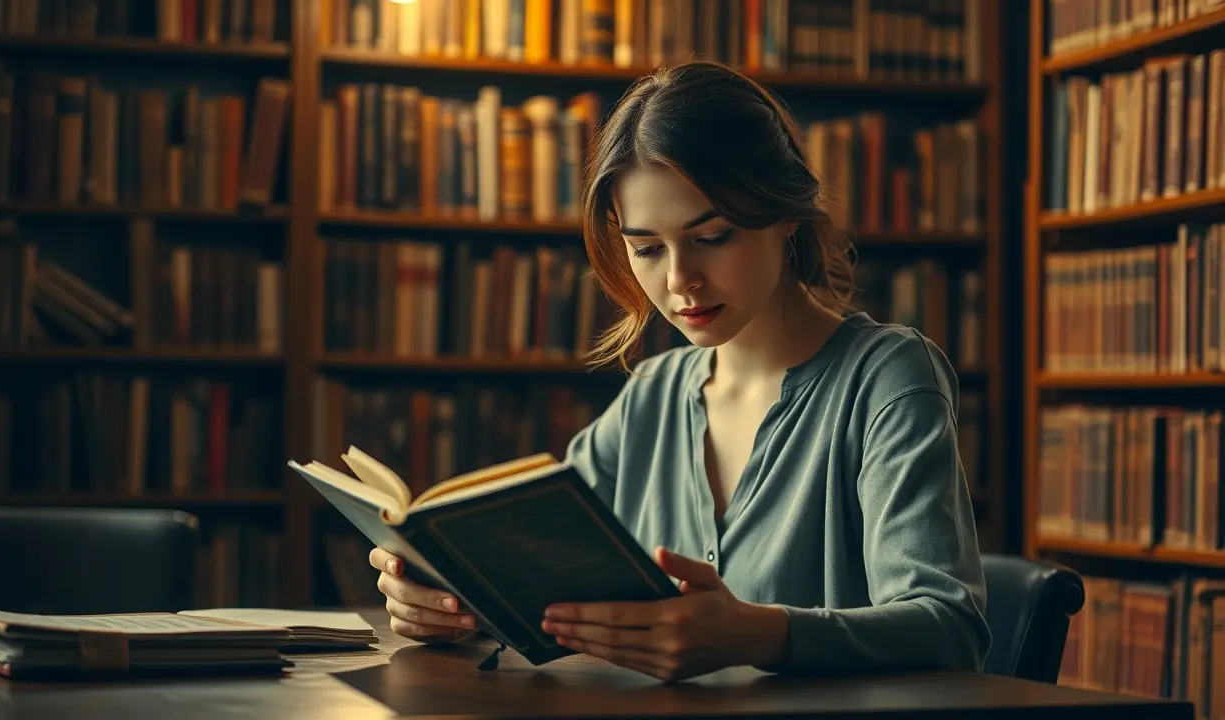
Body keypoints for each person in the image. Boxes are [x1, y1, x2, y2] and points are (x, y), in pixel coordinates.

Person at [368, 59, 991, 682]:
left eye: (713, 236)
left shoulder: (887, 378)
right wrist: (452, 600)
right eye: (645, 249)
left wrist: (753, 632)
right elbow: (536, 570)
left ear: (788, 211)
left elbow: (950, 626)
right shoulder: (654, 396)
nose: (678, 281)